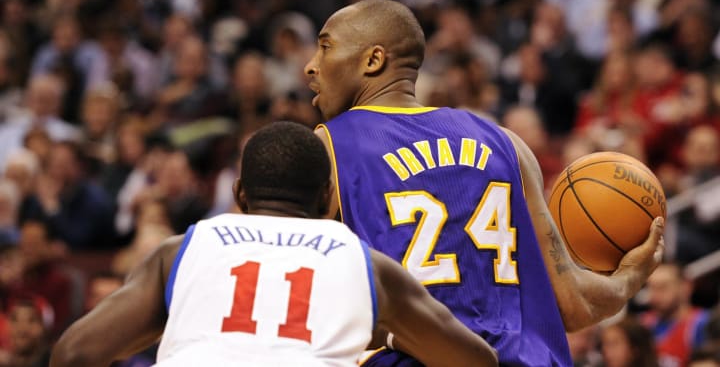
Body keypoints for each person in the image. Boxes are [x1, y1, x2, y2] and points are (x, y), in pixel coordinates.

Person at [305, 0, 665, 366]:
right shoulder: (506, 143)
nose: (310, 66)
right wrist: (632, 275)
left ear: (373, 60)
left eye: (325, 46)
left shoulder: (329, 147)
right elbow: (574, 304)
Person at [50, 122, 498, 367]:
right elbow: (475, 361)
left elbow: (74, 354)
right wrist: (392, 336)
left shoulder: (183, 249)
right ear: (327, 198)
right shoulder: (364, 262)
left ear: (240, 195)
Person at [640, 262, 710, 367]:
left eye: (662, 287)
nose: (654, 296)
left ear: (686, 287)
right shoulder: (644, 322)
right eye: (651, 288)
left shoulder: (702, 323)